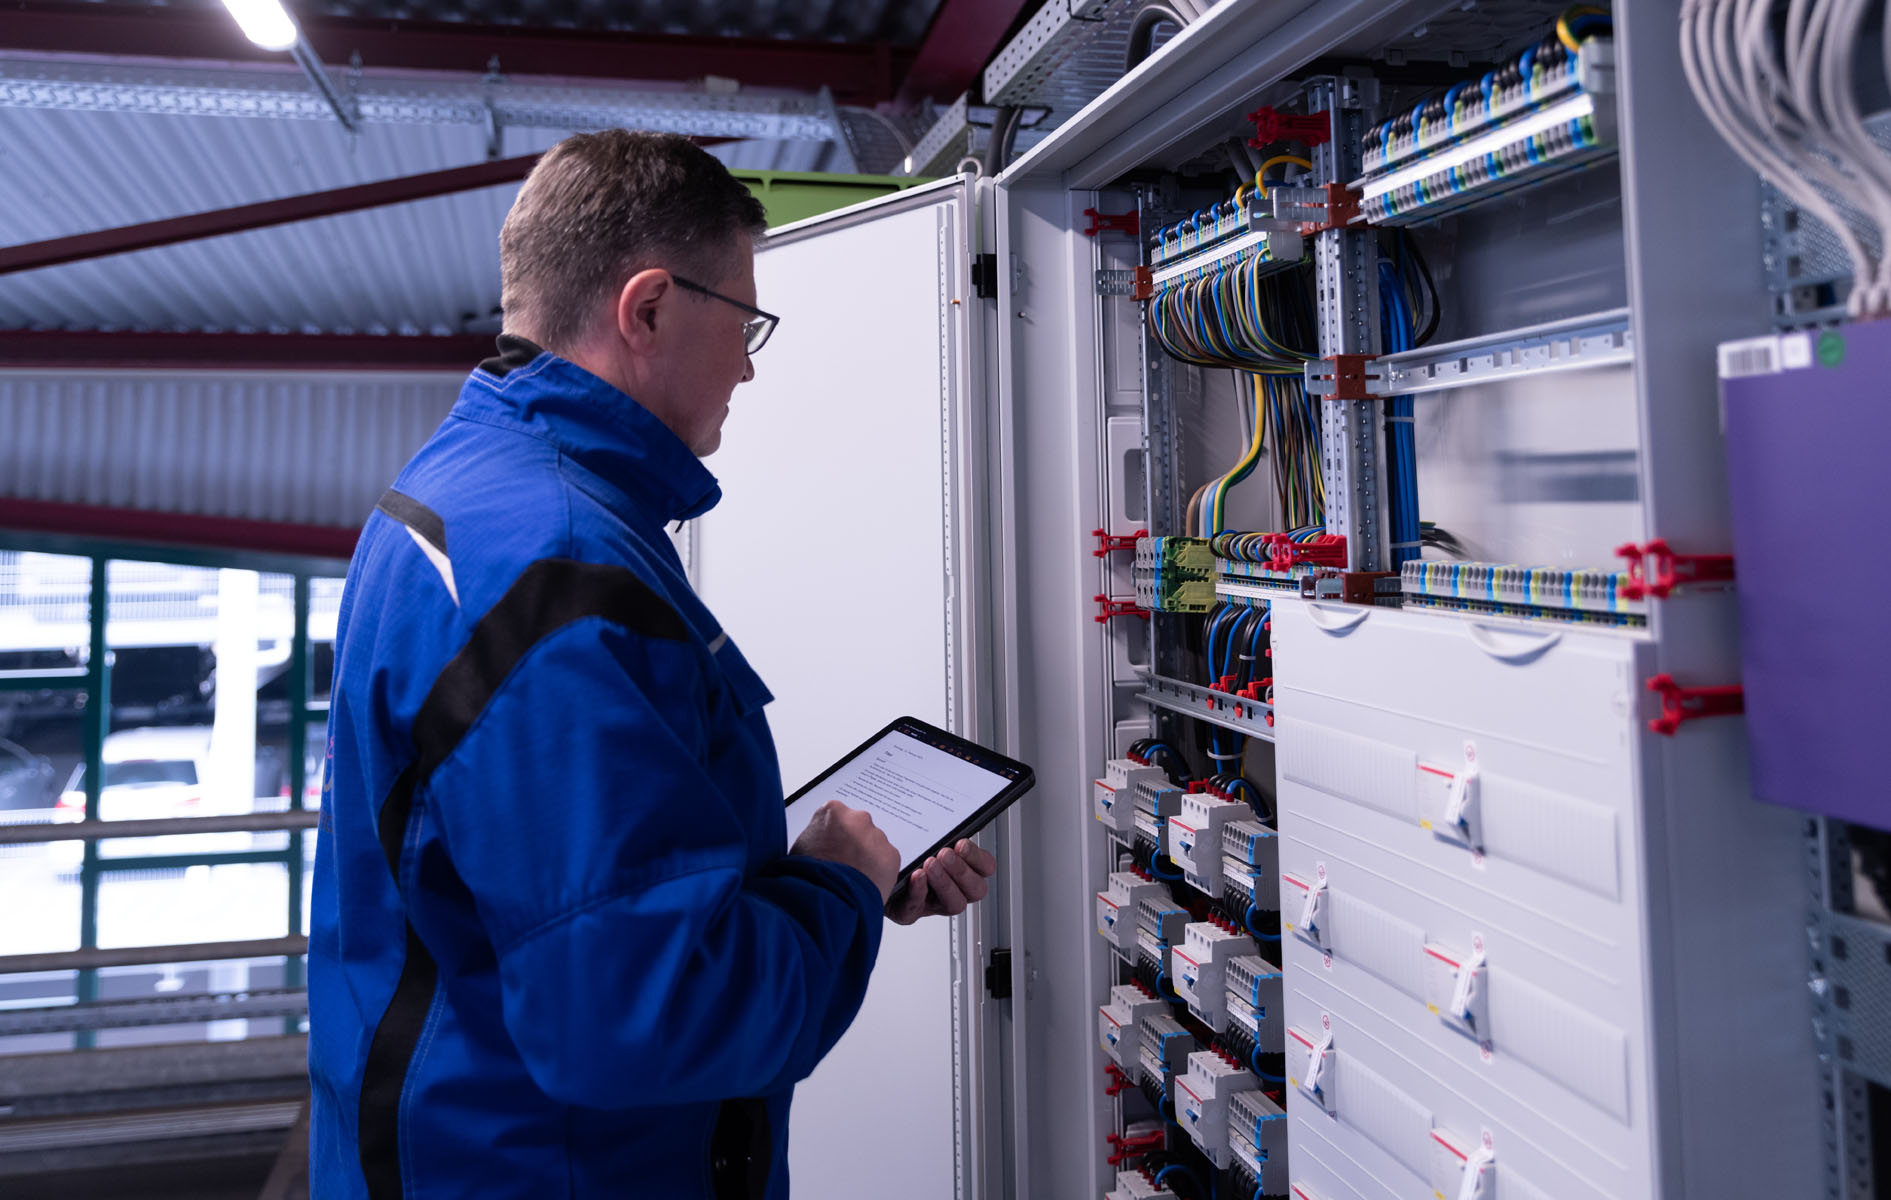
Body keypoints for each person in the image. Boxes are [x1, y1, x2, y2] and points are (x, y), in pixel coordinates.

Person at [308, 129, 999, 1200]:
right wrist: (839, 884)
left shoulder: (461, 493)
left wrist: (835, 882)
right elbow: (647, 1020)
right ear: (647, 309)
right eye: (745, 320)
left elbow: (558, 898)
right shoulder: (563, 574)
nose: (750, 362)